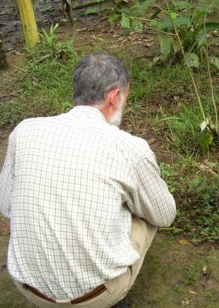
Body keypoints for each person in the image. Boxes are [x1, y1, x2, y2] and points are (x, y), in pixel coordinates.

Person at [0, 53, 176, 307]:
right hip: (94, 296)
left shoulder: (24, 130)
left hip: (29, 288)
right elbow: (165, 214)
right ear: (114, 96)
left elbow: (6, 204)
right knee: (147, 214)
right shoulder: (129, 147)